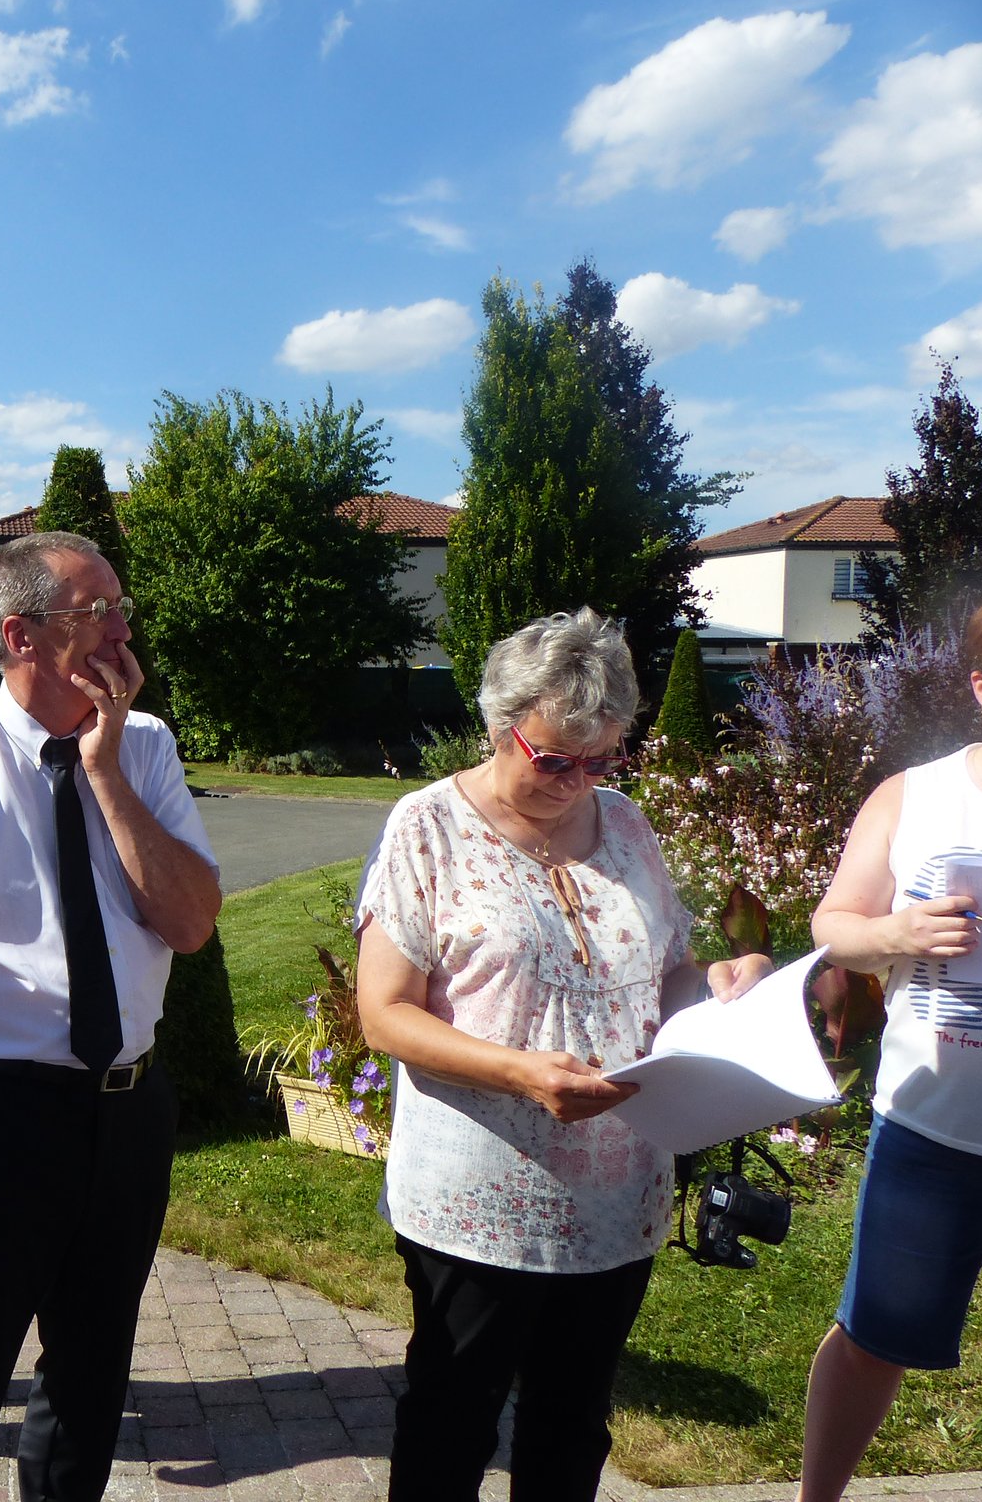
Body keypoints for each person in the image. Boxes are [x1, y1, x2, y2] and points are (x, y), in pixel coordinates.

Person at [354, 607, 769, 1502]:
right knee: (452, 1422)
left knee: (572, 1424)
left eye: (600, 759)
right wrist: (520, 1071)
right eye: (555, 760)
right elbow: (384, 1016)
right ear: (501, 726)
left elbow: (661, 978)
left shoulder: (623, 825)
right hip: (480, 1199)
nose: (577, 782)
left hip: (618, 1193)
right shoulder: (427, 827)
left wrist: (722, 983)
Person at [0, 531, 221, 1502]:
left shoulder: (143, 749)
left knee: (89, 1386)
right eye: (96, 610)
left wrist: (102, 771)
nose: (122, 626)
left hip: (126, 1115)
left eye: (118, 606)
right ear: (20, 634)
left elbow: (187, 923)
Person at [798, 595, 982, 1502]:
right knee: (877, 1333)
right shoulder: (915, 795)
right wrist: (901, 933)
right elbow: (834, 925)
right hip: (937, 1131)